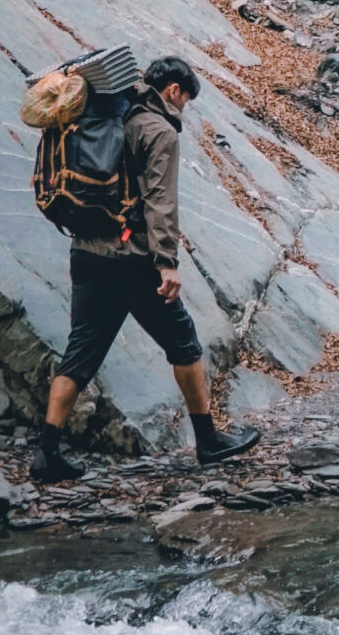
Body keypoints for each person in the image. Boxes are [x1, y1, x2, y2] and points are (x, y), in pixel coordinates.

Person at [32, 56, 259, 483]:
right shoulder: (157, 130)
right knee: (184, 343)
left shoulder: (107, 113)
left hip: (85, 251)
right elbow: (160, 201)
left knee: (80, 353)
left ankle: (46, 454)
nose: (183, 109)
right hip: (132, 259)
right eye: (185, 100)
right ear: (173, 91)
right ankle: (208, 440)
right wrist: (167, 264)